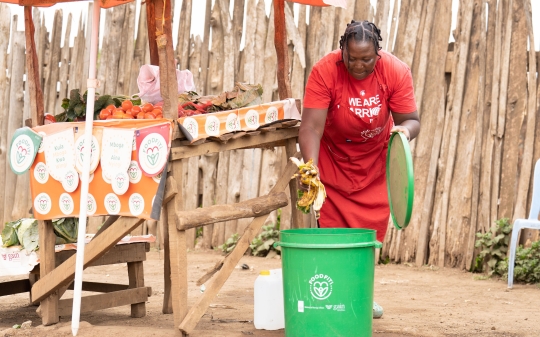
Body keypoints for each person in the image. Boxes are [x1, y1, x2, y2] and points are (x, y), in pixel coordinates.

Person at [298, 20, 421, 318]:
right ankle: (331, 296)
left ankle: (359, 296)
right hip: (332, 160)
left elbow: (411, 119)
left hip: (374, 164)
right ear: (342, 49)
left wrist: (403, 132)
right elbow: (311, 128)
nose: (358, 65)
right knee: (331, 233)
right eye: (351, 58)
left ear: (378, 53)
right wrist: (311, 169)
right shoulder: (325, 70)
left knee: (367, 236)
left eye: (366, 59)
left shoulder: (395, 71)